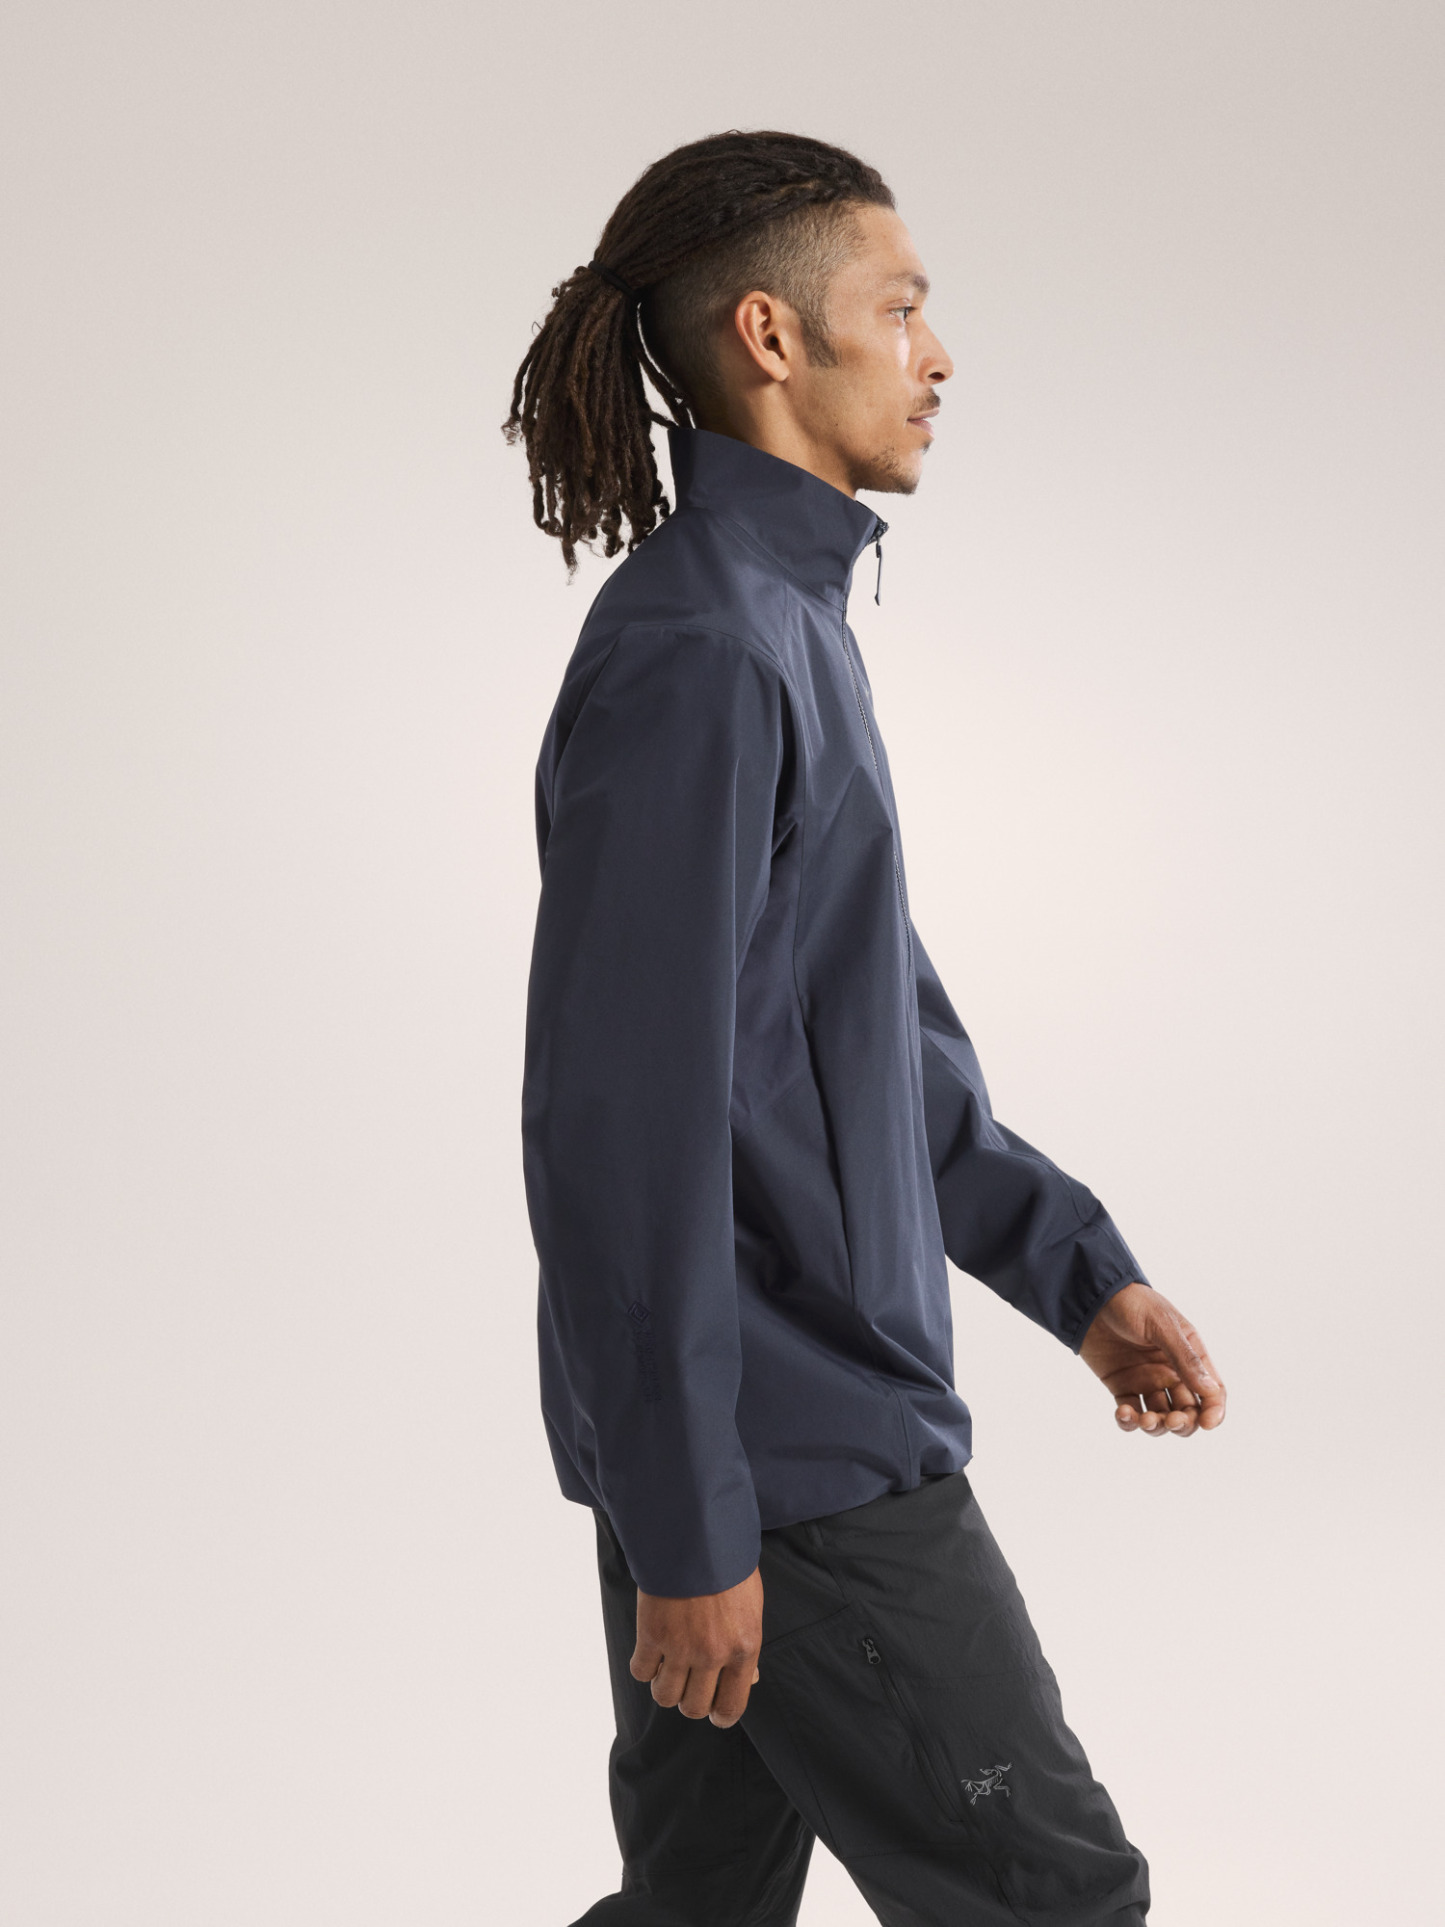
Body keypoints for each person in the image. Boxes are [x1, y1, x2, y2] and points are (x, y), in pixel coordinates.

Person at [505, 130, 1226, 1927]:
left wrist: (1076, 1275)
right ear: (769, 335)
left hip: (751, 1444)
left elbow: (864, 1045)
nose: (937, 354)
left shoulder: (779, 624)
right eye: (899, 309)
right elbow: (620, 1129)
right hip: (789, 1466)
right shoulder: (703, 652)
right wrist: (693, 1519)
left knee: (697, 1913)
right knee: (1054, 1904)